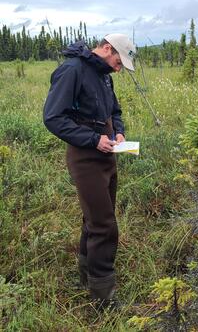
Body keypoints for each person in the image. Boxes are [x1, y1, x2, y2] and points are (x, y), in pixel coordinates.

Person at [43, 34, 136, 308]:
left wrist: (118, 132)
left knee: (94, 219)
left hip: (108, 155)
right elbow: (53, 117)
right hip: (86, 158)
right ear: (107, 48)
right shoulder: (72, 70)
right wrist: (93, 139)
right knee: (104, 226)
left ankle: (86, 276)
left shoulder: (104, 74)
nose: (118, 69)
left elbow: (114, 110)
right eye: (118, 62)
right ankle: (103, 297)